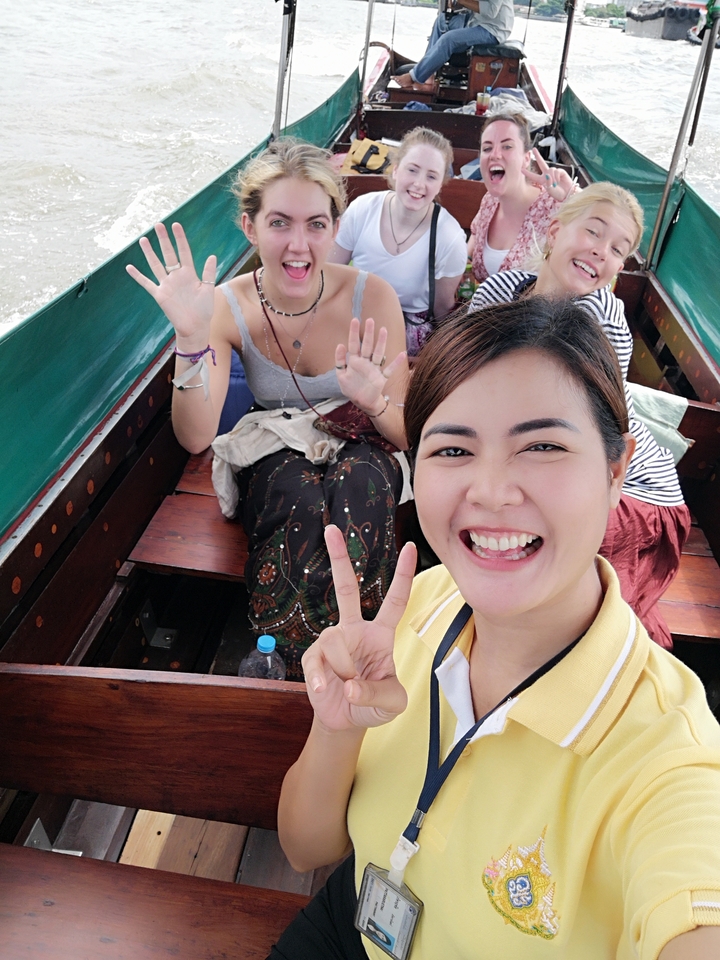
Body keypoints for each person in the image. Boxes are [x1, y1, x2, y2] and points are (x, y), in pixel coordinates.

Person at [271, 299, 720, 960]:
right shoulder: (425, 603)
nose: (491, 489)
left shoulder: (663, 757)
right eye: (453, 448)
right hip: (353, 923)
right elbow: (306, 848)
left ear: (616, 469)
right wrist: (337, 728)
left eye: (541, 446)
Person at [126, 138, 409, 680]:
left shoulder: (372, 298)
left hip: (363, 440)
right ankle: (285, 652)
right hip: (276, 445)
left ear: (335, 228)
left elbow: (401, 434)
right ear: (250, 227)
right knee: (295, 493)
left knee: (359, 485)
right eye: (280, 223)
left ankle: (364, 649)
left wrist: (374, 401)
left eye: (316, 225)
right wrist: (189, 338)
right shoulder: (227, 304)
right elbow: (194, 437)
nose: (298, 244)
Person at [469, 181, 691, 647]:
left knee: (562, 583)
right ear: (554, 230)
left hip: (628, 491)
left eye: (618, 250)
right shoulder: (503, 288)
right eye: (593, 232)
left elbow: (573, 446)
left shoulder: (601, 322)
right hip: (541, 461)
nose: (601, 253)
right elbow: (463, 375)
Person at [330, 127, 467, 356]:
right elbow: (331, 274)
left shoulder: (450, 238)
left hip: (407, 333)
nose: (419, 184)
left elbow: (442, 309)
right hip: (356, 317)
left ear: (441, 184)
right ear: (395, 170)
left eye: (431, 176)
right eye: (412, 170)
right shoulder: (363, 209)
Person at [468, 112, 577, 283]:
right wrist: (460, 265)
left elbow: (608, 224)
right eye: (487, 148)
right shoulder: (489, 201)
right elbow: (475, 234)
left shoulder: (554, 206)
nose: (494, 155)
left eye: (507, 146)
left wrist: (573, 195)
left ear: (526, 158)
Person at [393, 0, 514, 93]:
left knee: (449, 39)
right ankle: (429, 72)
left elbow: (491, 11)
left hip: (493, 30)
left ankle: (415, 76)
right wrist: (457, 4)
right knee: (441, 21)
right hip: (476, 23)